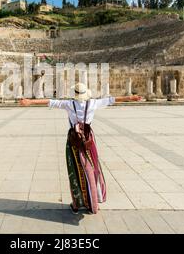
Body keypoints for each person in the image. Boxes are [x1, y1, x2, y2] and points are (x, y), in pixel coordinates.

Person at [20, 83, 142, 214]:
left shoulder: (69, 104)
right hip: (89, 141)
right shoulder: (93, 103)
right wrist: (131, 97)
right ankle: (93, 203)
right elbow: (112, 100)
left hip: (74, 141)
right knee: (92, 169)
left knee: (75, 170)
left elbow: (50, 102)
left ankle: (77, 204)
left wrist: (30, 101)